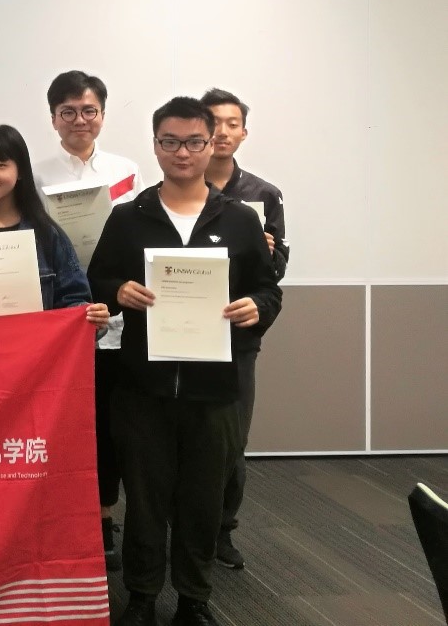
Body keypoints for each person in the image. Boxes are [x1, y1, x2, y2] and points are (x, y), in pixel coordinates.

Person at [87, 97, 282, 626]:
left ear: (210, 144)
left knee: (203, 497)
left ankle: (195, 598)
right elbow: (98, 279)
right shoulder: (129, 217)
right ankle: (143, 595)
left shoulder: (238, 219)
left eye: (194, 141)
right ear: (155, 145)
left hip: (215, 387)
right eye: (170, 142)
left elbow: (268, 289)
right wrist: (118, 290)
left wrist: (256, 307)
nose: (182, 152)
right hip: (143, 385)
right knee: (145, 496)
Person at [33, 69, 142, 571]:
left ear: (102, 114)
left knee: (108, 426)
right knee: (61, 425)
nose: (80, 120)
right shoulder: (36, 174)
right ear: (54, 118)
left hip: (115, 310)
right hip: (60, 313)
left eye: (89, 110)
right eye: (68, 112)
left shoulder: (128, 170)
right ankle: (59, 518)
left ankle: (103, 519)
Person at [200, 87, 289, 571]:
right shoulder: (178, 187)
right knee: (184, 436)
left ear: (244, 132)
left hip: (237, 334)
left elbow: (274, 274)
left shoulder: (263, 194)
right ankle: (183, 527)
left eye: (232, 124)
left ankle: (222, 531)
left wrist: (268, 251)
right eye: (213, 122)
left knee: (232, 438)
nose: (222, 132)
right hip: (185, 329)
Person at [0, 125, 109, 331]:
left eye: (0, 165)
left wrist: (91, 315)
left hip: (36, 348)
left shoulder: (47, 234)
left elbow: (73, 300)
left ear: (21, 171)